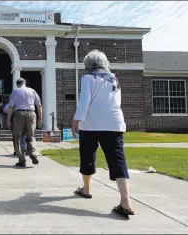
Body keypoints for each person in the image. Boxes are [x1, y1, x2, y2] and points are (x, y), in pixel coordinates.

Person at [71, 49, 134, 218]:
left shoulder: (87, 78)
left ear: (88, 64)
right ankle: (125, 201)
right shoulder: (114, 79)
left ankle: (86, 189)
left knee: (87, 156)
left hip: (90, 124)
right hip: (114, 123)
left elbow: (84, 100)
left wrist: (76, 120)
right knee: (117, 159)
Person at [7, 78, 42, 167]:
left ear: (17, 84)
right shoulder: (32, 91)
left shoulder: (15, 92)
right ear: (25, 83)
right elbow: (39, 105)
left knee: (18, 137)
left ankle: (22, 160)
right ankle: (33, 153)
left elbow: (11, 107)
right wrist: (40, 118)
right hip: (31, 114)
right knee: (30, 136)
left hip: (19, 114)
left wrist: (8, 119)